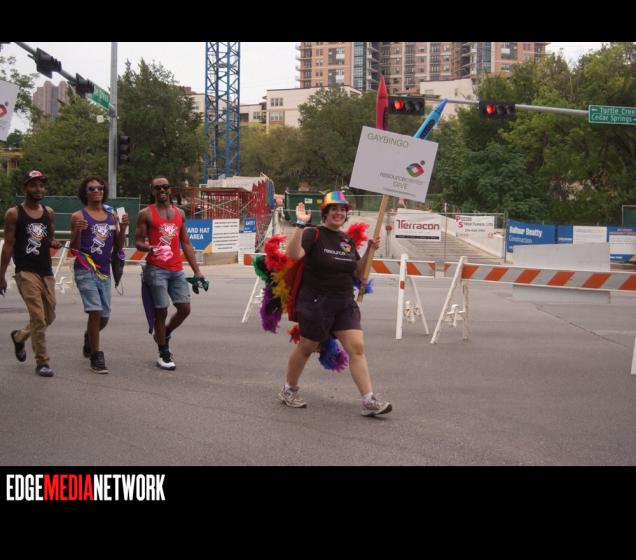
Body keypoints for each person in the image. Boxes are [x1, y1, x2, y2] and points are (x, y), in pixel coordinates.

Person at [279, 191, 392, 416]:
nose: (339, 213)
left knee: (356, 348)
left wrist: (369, 250)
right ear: (325, 212)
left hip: (344, 302)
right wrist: (300, 225)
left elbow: (357, 271)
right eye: (334, 209)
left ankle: (368, 399)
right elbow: (293, 255)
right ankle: (289, 389)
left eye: (343, 210)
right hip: (316, 302)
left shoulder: (346, 241)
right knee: (307, 347)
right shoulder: (313, 233)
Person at [135, 175, 204, 370]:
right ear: (152, 191)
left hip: (176, 269)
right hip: (156, 269)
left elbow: (186, 243)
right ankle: (163, 352)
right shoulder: (145, 213)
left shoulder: (179, 213)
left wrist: (197, 271)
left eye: (165, 187)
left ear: (170, 189)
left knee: (185, 309)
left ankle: (164, 333)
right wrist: (148, 247)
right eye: (157, 188)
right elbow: (138, 241)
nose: (162, 190)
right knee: (161, 310)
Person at [0, 170, 63, 377]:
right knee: (38, 316)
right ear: (25, 188)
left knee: (48, 315)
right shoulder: (14, 213)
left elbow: (49, 237)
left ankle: (20, 337)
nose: (38, 189)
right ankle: (42, 361)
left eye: (41, 185)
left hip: (46, 271)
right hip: (25, 271)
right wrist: (1, 276)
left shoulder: (48, 212)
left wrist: (53, 242)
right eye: (33, 185)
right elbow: (8, 246)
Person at [70, 176, 129, 374]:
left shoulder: (112, 216)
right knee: (95, 311)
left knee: (104, 317)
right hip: (85, 269)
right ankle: (97, 355)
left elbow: (118, 246)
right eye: (92, 188)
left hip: (104, 272)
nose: (97, 191)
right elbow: (74, 249)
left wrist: (123, 227)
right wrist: (77, 232)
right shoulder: (78, 216)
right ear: (85, 193)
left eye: (100, 188)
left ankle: (89, 336)